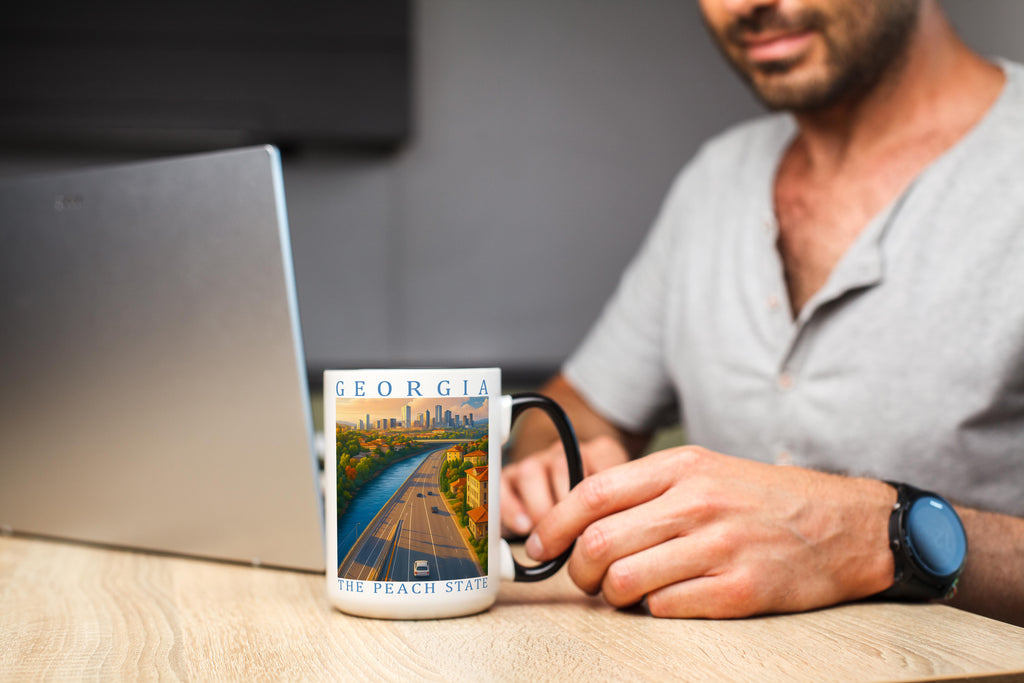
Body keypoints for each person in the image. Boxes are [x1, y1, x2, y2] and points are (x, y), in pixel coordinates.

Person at [500, 0, 1024, 626]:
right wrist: (561, 462)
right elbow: (576, 408)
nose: (748, 4)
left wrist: (874, 536)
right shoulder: (714, 182)